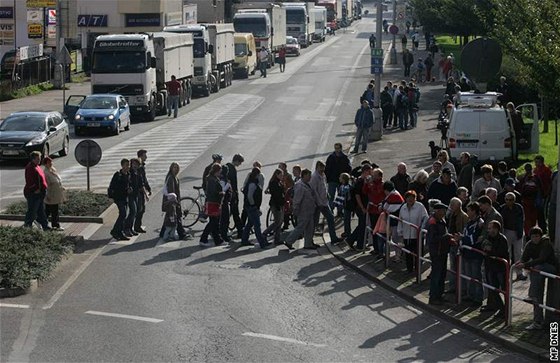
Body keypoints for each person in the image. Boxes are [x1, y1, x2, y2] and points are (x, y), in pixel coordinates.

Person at [514, 227, 558, 330]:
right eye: (533, 237)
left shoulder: (546, 243)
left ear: (540, 236)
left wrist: (526, 264)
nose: (535, 239)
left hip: (550, 267)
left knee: (536, 268)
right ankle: (537, 320)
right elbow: (524, 257)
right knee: (538, 295)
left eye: (537, 236)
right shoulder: (529, 244)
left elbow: (542, 259)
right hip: (538, 270)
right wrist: (521, 263)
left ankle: (531, 294)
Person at [284, 169, 319, 250]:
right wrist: (295, 210)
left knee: (309, 228)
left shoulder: (306, 184)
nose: (310, 177)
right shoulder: (300, 185)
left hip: (309, 210)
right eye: (309, 175)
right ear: (304, 175)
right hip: (303, 211)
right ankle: (289, 241)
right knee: (300, 227)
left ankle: (308, 244)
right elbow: (297, 200)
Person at [427, 203, 454, 305]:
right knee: (436, 275)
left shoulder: (441, 220)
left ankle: (439, 295)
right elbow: (432, 239)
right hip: (437, 252)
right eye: (443, 210)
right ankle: (433, 296)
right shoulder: (433, 222)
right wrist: (446, 237)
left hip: (442, 251)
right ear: (438, 211)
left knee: (442, 274)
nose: (444, 212)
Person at [480, 221, 509, 315]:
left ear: (496, 229)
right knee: (492, 289)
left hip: (500, 268)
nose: (489, 230)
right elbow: (483, 246)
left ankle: (506, 310)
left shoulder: (502, 239)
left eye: (491, 228)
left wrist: (490, 251)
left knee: (504, 289)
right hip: (490, 267)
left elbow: (502, 253)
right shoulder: (488, 238)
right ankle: (500, 307)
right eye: (488, 228)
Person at [458, 202, 485, 306]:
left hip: (475, 254)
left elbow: (474, 239)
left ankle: (478, 298)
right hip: (467, 253)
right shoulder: (469, 222)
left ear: (474, 211)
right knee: (469, 276)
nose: (467, 212)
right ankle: (470, 295)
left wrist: (462, 238)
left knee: (476, 276)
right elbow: (466, 235)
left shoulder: (479, 223)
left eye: (468, 210)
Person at [310, 161, 341, 244]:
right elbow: (314, 191)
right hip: (317, 203)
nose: (323, 169)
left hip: (324, 202)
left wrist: (327, 194)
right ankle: (309, 240)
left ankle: (333, 238)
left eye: (323, 168)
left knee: (330, 218)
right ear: (317, 167)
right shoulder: (314, 177)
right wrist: (319, 202)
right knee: (314, 222)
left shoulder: (323, 175)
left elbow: (324, 186)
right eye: (321, 168)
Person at [398, 190, 428, 273]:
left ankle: (418, 269)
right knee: (408, 253)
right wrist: (400, 232)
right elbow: (400, 220)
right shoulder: (403, 207)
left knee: (418, 253)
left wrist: (422, 228)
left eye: (412, 198)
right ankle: (409, 269)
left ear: (415, 198)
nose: (410, 200)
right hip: (407, 235)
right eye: (408, 198)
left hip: (417, 235)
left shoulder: (420, 206)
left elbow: (425, 217)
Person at [241, 167, 269, 249]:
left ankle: (244, 240)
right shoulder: (253, 184)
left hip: (249, 206)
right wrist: (254, 206)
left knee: (250, 223)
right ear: (257, 175)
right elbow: (250, 196)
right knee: (257, 225)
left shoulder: (251, 182)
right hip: (252, 207)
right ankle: (262, 242)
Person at [499, 192, 525, 280]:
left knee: (518, 253)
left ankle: (519, 273)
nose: (508, 201)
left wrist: (520, 232)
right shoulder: (502, 208)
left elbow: (522, 220)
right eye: (506, 199)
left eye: (510, 200)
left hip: (518, 232)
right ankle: (507, 273)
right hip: (507, 231)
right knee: (507, 253)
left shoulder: (519, 208)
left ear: (514, 200)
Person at [23, 151, 50, 230]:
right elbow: (29, 181)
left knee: (41, 211)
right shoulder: (30, 168)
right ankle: (28, 226)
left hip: (40, 192)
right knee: (32, 210)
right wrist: (35, 189)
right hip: (33, 193)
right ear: (33, 159)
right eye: (37, 159)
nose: (39, 160)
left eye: (40, 158)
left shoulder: (37, 166)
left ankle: (45, 225)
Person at [160, 162, 187, 239]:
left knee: (170, 217)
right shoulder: (171, 178)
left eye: (177, 168)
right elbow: (172, 191)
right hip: (172, 201)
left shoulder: (175, 177)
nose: (176, 169)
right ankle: (181, 233)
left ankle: (163, 232)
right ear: (171, 168)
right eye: (174, 167)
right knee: (176, 216)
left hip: (172, 201)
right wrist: (175, 202)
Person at [447, 197, 468, 293]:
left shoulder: (463, 216)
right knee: (453, 266)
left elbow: (464, 229)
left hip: (458, 243)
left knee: (460, 267)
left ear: (459, 206)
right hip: (452, 242)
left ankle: (461, 288)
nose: (451, 206)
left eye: (453, 205)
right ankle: (452, 287)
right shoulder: (452, 214)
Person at [200, 164, 224, 247]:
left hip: (213, 202)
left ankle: (218, 240)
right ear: (216, 171)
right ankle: (203, 239)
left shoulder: (212, 178)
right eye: (219, 172)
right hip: (213, 203)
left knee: (214, 223)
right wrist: (221, 193)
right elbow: (213, 193)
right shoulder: (212, 180)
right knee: (213, 223)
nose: (220, 174)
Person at [108, 159, 131, 240]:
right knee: (123, 214)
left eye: (128, 165)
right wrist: (110, 196)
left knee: (123, 215)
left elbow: (128, 185)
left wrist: (129, 189)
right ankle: (116, 231)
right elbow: (112, 186)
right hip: (119, 198)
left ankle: (118, 232)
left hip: (125, 197)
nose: (128, 167)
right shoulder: (118, 175)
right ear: (122, 165)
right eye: (126, 165)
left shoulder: (128, 174)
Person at [325, 143, 352, 210]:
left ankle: (340, 211)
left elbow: (349, 168)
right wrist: (328, 178)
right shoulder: (331, 157)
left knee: (341, 197)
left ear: (340, 148)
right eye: (335, 148)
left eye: (338, 148)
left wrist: (345, 178)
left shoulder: (344, 157)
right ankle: (331, 210)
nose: (336, 150)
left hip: (341, 181)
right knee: (331, 196)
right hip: (332, 180)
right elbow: (327, 168)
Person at [518, 163, 541, 236]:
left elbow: (539, 189)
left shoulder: (532, 178)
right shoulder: (525, 178)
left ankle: (530, 233)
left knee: (531, 219)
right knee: (529, 219)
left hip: (531, 202)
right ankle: (529, 234)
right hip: (528, 202)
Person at [262, 168, 285, 245]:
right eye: (281, 175)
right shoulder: (274, 183)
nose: (282, 176)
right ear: (277, 175)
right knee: (277, 222)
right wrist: (279, 204)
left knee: (280, 222)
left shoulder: (279, 182)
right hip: (276, 204)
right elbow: (276, 195)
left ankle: (277, 239)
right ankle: (265, 233)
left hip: (280, 203)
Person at [42, 156, 65, 231]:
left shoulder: (52, 170)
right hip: (51, 195)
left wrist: (61, 186)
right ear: (45, 164)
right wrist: (47, 195)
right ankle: (55, 225)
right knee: (54, 210)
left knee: (48, 211)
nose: (51, 163)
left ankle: (41, 221)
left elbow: (57, 180)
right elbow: (47, 185)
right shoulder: (46, 173)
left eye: (51, 162)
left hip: (56, 194)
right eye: (49, 162)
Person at [226, 154, 245, 239]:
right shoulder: (232, 169)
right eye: (240, 162)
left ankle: (238, 231)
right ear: (236, 161)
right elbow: (233, 183)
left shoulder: (227, 166)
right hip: (232, 194)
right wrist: (234, 193)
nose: (239, 164)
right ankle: (240, 232)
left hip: (229, 193)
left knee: (231, 214)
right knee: (235, 214)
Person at [124, 158, 142, 237]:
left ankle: (130, 228)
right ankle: (126, 228)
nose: (135, 166)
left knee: (136, 212)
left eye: (136, 164)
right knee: (133, 211)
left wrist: (144, 193)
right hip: (130, 196)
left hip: (136, 194)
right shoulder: (130, 173)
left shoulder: (137, 172)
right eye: (133, 164)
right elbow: (127, 182)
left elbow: (141, 184)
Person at [533, 155, 552, 233]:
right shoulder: (535, 170)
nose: (537, 164)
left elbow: (549, 183)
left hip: (544, 193)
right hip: (537, 193)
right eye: (536, 162)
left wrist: (547, 193)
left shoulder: (546, 170)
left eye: (538, 162)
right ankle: (541, 227)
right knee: (538, 212)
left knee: (543, 212)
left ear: (542, 162)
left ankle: (544, 229)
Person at [134, 149, 151, 233]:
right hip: (139, 191)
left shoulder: (142, 166)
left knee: (141, 209)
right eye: (145, 156)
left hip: (141, 190)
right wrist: (145, 191)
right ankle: (136, 227)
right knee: (139, 210)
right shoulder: (139, 167)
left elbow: (144, 179)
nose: (146, 157)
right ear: (140, 156)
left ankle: (137, 226)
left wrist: (148, 188)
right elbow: (141, 181)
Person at [333, 172, 353, 238]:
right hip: (344, 205)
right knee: (345, 219)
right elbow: (339, 196)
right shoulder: (342, 186)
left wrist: (336, 203)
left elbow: (343, 197)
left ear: (343, 179)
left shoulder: (346, 187)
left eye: (340, 177)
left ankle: (348, 232)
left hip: (347, 206)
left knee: (347, 220)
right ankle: (346, 231)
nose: (339, 178)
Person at [219, 165, 232, 242]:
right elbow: (222, 190)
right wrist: (228, 185)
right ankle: (224, 235)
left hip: (225, 201)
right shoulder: (223, 180)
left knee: (225, 219)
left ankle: (224, 234)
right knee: (225, 219)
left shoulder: (223, 179)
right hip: (223, 202)